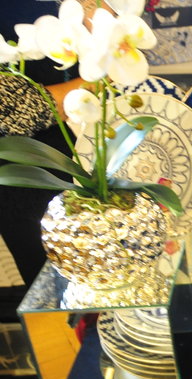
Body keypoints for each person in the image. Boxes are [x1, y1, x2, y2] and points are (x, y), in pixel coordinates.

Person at [0, 2, 92, 287]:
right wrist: (99, 77)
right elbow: (12, 109)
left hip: (79, 147)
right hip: (26, 174)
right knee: (58, 289)